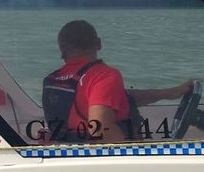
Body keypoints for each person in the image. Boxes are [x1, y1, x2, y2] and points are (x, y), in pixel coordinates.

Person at [42, 20, 193, 143]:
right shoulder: (104, 76)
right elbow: (100, 129)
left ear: (62, 49)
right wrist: (141, 155)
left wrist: (168, 93)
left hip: (69, 157)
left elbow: (118, 98)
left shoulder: (52, 80)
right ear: (99, 43)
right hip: (107, 164)